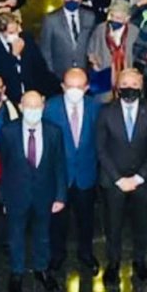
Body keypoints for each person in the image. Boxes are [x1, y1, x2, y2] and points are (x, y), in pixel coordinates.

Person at [94, 69, 147, 285]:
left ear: (141, 86)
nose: (129, 87)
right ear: (117, 86)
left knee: (141, 223)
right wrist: (118, 178)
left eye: (134, 83)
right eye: (125, 82)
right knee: (113, 224)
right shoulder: (106, 111)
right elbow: (100, 148)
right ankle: (113, 263)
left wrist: (140, 177)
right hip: (113, 180)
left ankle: (140, 262)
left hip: (142, 180)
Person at [0, 92, 66, 292]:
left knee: (43, 235)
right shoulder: (8, 131)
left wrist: (61, 196)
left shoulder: (54, 132)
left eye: (37, 107)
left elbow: (59, 165)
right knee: (16, 235)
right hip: (16, 194)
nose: (33, 111)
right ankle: (17, 272)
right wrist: (2, 196)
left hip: (45, 194)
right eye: (29, 106)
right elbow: (2, 165)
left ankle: (42, 269)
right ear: (20, 106)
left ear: (43, 107)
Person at [44, 68, 100, 274]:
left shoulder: (96, 106)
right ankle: (57, 255)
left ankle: (86, 253)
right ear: (63, 87)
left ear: (86, 87)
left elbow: (100, 139)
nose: (74, 90)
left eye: (79, 87)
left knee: (86, 218)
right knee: (57, 220)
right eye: (70, 86)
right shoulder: (50, 107)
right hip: (59, 176)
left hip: (86, 173)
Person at [0, 12, 51, 104]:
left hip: (31, 95)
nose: (16, 35)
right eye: (11, 32)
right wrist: (13, 56)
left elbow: (40, 68)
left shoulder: (27, 39)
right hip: (7, 98)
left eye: (17, 30)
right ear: (1, 32)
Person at [40, 0, 95, 78]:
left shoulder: (90, 17)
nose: (71, 0)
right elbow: (45, 49)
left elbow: (93, 41)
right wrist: (50, 72)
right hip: (59, 73)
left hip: (83, 72)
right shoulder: (51, 19)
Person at [87, 1, 137, 96]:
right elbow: (90, 50)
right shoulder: (100, 29)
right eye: (112, 16)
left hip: (126, 76)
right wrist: (94, 62)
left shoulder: (134, 32)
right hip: (104, 75)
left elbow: (138, 54)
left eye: (118, 18)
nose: (114, 20)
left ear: (127, 18)